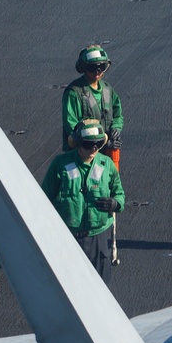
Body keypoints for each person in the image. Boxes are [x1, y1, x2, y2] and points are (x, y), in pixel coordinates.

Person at [42, 119, 125, 285]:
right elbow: (43, 199)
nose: (94, 148)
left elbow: (120, 194)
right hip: (69, 238)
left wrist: (115, 203)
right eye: (89, 144)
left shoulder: (106, 164)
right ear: (78, 143)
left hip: (98, 238)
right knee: (70, 287)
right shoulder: (60, 164)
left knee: (102, 291)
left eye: (98, 144)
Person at [62, 44, 124, 171]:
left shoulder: (107, 90)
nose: (97, 72)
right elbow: (71, 125)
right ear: (83, 68)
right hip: (82, 155)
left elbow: (117, 114)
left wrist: (116, 129)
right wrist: (100, 141)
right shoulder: (75, 93)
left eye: (101, 67)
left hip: (105, 154)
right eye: (92, 68)